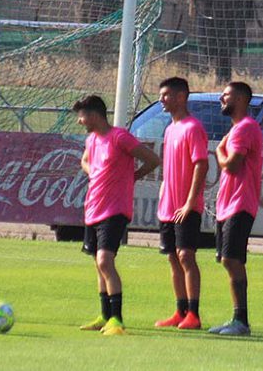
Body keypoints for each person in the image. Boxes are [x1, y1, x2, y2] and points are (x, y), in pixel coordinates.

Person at [75, 95, 160, 336]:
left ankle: (117, 319)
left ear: (94, 115)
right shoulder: (92, 139)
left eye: (81, 116)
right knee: (98, 264)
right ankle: (104, 315)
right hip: (93, 207)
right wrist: (95, 172)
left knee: (105, 261)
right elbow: (84, 161)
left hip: (115, 209)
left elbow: (153, 160)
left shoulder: (120, 137)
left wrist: (132, 177)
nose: (79, 121)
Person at [208, 82, 263, 336]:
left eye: (226, 95)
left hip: (240, 203)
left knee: (232, 259)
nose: (221, 98)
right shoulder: (236, 129)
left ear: (240, 99)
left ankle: (241, 321)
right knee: (229, 260)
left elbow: (230, 165)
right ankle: (237, 320)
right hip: (227, 205)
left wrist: (219, 151)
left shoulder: (245, 128)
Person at [153, 77, 209, 330]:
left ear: (181, 97)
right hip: (168, 206)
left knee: (186, 255)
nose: (161, 99)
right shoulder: (169, 129)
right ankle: (180, 310)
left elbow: (201, 164)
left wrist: (189, 202)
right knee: (173, 258)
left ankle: (194, 315)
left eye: (166, 95)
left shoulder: (193, 127)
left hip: (186, 206)